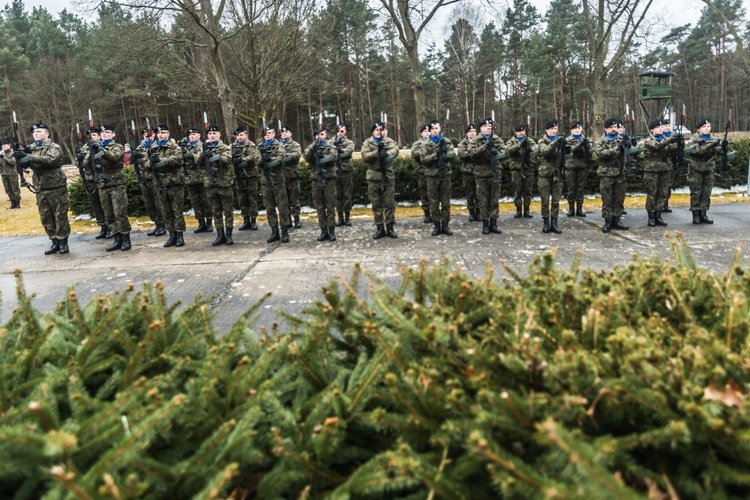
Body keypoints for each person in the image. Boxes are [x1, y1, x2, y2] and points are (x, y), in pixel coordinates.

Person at [14, 124, 69, 254]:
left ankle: (63, 242)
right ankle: (54, 241)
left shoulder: (54, 147)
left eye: (39, 131)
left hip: (55, 186)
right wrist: (20, 157)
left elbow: (51, 160)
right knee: (45, 216)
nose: (36, 133)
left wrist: (29, 157)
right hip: (40, 187)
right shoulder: (31, 148)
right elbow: (26, 162)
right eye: (34, 132)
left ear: (47, 133)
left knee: (59, 215)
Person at [90, 125, 131, 251]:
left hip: (116, 184)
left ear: (113, 134)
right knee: (109, 214)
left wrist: (101, 150)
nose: (104, 134)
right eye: (102, 132)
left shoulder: (117, 146)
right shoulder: (96, 147)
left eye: (107, 132)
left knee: (120, 213)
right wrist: (90, 152)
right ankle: (116, 238)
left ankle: (125, 239)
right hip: (103, 185)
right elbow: (87, 163)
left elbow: (114, 157)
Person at [361, 120, 399, 239]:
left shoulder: (389, 141)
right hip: (373, 177)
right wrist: (376, 153)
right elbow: (365, 156)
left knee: (389, 204)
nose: (379, 132)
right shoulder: (368, 143)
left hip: (387, 177)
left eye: (381, 130)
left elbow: (395, 150)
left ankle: (390, 227)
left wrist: (386, 154)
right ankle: (380, 228)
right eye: (377, 130)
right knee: (376, 205)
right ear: (373, 131)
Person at [149, 124, 186, 247]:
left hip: (174, 183)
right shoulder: (152, 148)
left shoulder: (174, 147)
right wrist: (151, 162)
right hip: (160, 184)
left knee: (177, 211)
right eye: (159, 133)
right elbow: (144, 164)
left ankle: (179, 235)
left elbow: (178, 159)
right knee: (166, 212)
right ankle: (172, 235)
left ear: (168, 134)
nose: (161, 135)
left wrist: (162, 162)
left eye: (163, 132)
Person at [468, 118, 505, 234]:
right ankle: (485, 223)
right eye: (485, 126)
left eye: (489, 127)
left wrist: (496, 153)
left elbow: (505, 152)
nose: (488, 128)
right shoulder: (475, 140)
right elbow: (472, 153)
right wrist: (485, 146)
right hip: (481, 173)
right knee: (483, 200)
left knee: (494, 199)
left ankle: (494, 223)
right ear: (481, 128)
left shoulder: (496, 139)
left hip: (495, 172)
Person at [199, 124, 234, 245]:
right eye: (210, 134)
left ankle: (229, 235)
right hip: (210, 184)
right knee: (216, 212)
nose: (212, 136)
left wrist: (214, 157)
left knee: (228, 211)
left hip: (224, 183)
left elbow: (227, 160)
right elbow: (197, 161)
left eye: (214, 134)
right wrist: (204, 153)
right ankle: (220, 235)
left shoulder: (225, 148)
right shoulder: (204, 147)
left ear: (219, 135)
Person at [420, 119, 455, 236]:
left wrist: (445, 154)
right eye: (433, 129)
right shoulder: (425, 144)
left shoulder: (446, 141)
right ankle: (436, 225)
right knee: (433, 202)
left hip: (445, 174)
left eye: (437, 128)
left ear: (440, 129)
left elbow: (452, 154)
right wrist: (436, 155)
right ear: (430, 131)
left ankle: (445, 225)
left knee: (445, 201)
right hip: (432, 175)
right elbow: (424, 159)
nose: (435, 131)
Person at [594, 118, 629, 233]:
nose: (613, 130)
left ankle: (617, 219)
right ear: (606, 129)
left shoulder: (621, 139)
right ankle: (608, 221)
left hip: (620, 173)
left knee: (619, 198)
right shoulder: (601, 141)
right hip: (607, 174)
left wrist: (628, 145)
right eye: (611, 127)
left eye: (615, 127)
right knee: (607, 199)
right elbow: (600, 154)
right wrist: (616, 149)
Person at [303, 127, 339, 241]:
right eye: (317, 135)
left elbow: (334, 157)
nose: (320, 136)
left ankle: (331, 231)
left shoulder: (330, 146)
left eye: (322, 134)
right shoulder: (311, 147)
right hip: (316, 179)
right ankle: (323, 230)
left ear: (326, 135)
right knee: (320, 207)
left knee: (330, 206)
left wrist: (322, 159)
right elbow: (306, 157)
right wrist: (314, 149)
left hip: (329, 179)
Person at [686, 117, 721, 224]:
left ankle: (703, 213)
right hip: (696, 168)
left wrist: (720, 146)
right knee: (696, 192)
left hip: (708, 168)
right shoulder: (693, 139)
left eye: (708, 126)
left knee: (706, 192)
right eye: (704, 127)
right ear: (698, 129)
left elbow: (718, 151)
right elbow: (697, 151)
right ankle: (696, 214)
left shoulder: (713, 139)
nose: (707, 128)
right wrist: (711, 146)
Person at [76, 127, 109, 239]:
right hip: (90, 179)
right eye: (90, 135)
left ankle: (110, 226)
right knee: (95, 205)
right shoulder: (85, 147)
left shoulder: (102, 146)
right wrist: (80, 159)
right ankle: (103, 226)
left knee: (106, 204)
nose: (92, 137)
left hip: (102, 178)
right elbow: (80, 164)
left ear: (100, 136)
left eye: (94, 135)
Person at [259, 124, 290, 243]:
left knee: (282, 207)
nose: (268, 135)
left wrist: (269, 160)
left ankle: (285, 231)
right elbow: (256, 160)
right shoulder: (260, 146)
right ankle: (274, 232)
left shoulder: (279, 145)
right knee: (269, 208)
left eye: (270, 133)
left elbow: (281, 157)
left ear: (274, 134)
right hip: (266, 181)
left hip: (278, 180)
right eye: (266, 133)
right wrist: (262, 160)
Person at [643, 119, 677, 227]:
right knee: (652, 194)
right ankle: (651, 216)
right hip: (652, 170)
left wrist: (679, 143)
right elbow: (657, 146)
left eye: (661, 127)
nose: (661, 129)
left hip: (665, 169)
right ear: (652, 130)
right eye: (658, 127)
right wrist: (671, 139)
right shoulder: (649, 140)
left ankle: (658, 215)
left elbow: (671, 148)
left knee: (663, 193)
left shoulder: (665, 139)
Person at [133, 127, 166, 237]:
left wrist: (143, 159)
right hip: (144, 178)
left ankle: (162, 225)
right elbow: (136, 164)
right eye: (145, 135)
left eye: (150, 135)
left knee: (158, 203)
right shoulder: (139, 147)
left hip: (155, 178)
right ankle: (156, 224)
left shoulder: (158, 147)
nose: (147, 137)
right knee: (149, 204)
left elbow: (153, 163)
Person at [181, 128, 213, 233]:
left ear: (199, 136)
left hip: (201, 178)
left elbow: (200, 160)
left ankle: (209, 222)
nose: (191, 136)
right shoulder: (185, 147)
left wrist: (190, 155)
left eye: (194, 134)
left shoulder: (203, 146)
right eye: (190, 135)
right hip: (190, 179)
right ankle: (201, 223)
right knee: (195, 202)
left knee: (206, 201)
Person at [536, 120, 565, 234]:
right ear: (546, 130)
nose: (554, 131)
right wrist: (556, 142)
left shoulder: (560, 141)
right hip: (545, 175)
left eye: (555, 129)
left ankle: (554, 223)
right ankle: (546, 223)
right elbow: (546, 152)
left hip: (557, 174)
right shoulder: (542, 141)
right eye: (551, 129)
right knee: (545, 200)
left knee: (556, 201)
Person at [232, 126, 261, 231]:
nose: (239, 137)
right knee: (242, 199)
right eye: (238, 135)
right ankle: (245, 220)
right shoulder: (233, 146)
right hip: (239, 176)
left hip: (250, 176)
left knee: (252, 198)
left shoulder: (251, 145)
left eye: (241, 135)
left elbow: (253, 157)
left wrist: (242, 161)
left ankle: (253, 220)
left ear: (246, 135)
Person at [505, 123, 536, 219]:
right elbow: (508, 150)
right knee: (517, 191)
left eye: (523, 131)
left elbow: (536, 147)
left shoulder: (529, 140)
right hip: (517, 170)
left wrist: (529, 148)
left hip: (527, 169)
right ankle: (518, 210)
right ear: (515, 132)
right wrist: (519, 145)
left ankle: (527, 210)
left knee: (528, 191)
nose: (522, 133)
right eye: (520, 131)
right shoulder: (512, 141)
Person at [565, 120, 590, 217]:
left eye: (579, 128)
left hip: (582, 166)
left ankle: (579, 208)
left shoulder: (585, 139)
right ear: (571, 130)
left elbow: (588, 152)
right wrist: (580, 144)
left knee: (580, 188)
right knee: (571, 188)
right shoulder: (567, 140)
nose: (577, 130)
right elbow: (571, 150)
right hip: (570, 166)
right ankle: (571, 208)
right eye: (575, 128)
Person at [333, 123, 356, 227]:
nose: (340, 133)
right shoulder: (331, 142)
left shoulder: (349, 142)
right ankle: (340, 217)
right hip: (335, 172)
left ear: (345, 132)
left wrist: (340, 150)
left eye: (342, 131)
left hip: (346, 171)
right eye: (338, 131)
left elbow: (349, 152)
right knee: (338, 195)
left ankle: (347, 217)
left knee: (347, 195)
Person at [280, 125, 302, 229]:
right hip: (281, 177)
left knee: (295, 198)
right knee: (284, 200)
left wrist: (283, 157)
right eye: (283, 132)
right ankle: (287, 220)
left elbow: (296, 155)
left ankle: (296, 219)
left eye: (286, 131)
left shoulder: (295, 145)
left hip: (293, 175)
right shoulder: (278, 145)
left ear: (290, 133)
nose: (284, 133)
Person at [457, 124, 479, 221]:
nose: (472, 133)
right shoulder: (462, 144)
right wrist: (474, 153)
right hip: (467, 172)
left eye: (474, 131)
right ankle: (471, 213)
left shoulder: (479, 142)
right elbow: (462, 155)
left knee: (479, 193)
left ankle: (479, 212)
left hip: (479, 171)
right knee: (470, 194)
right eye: (470, 131)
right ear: (466, 133)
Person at [410, 124, 431, 223]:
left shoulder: (434, 142)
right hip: (422, 172)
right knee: (424, 193)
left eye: (428, 131)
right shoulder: (417, 144)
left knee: (434, 193)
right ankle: (427, 213)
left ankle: (435, 213)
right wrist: (425, 147)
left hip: (433, 171)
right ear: (421, 133)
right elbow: (415, 154)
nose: (427, 133)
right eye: (425, 131)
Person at [1, 139, 22, 209]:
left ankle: (17, 204)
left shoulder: (12, 152)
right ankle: (12, 203)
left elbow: (12, 162)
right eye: (2, 146)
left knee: (15, 189)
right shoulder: (2, 153)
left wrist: (4, 157)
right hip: (4, 174)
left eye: (5, 146)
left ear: (9, 145)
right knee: (8, 189)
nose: (4, 147)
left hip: (12, 174)